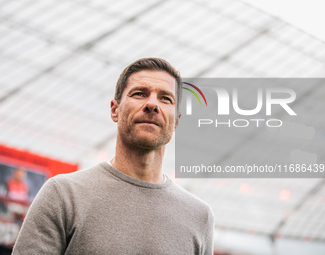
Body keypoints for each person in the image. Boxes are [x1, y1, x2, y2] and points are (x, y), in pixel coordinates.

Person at [12, 58, 214, 254]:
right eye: (139, 94)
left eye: (165, 98)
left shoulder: (199, 217)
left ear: (176, 121)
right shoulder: (63, 195)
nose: (152, 104)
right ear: (114, 110)